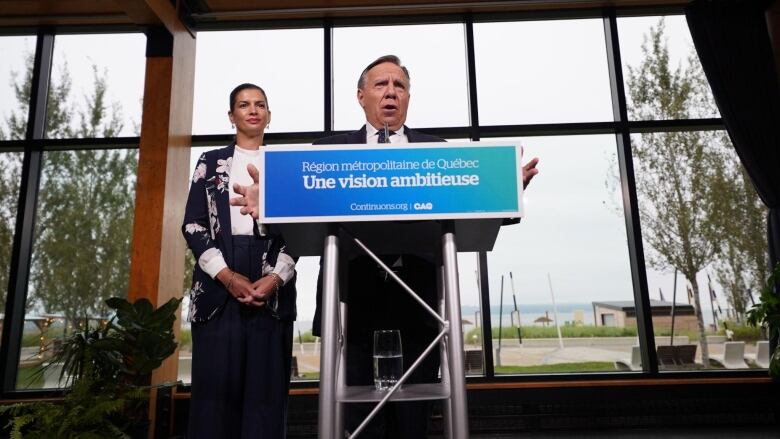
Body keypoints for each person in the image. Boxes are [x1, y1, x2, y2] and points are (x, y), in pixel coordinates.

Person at [231, 55, 538, 437]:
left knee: (414, 422)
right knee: (362, 423)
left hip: (421, 302)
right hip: (353, 302)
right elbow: (294, 205)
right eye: (381, 85)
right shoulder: (325, 153)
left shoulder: (439, 152)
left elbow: (477, 209)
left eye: (399, 85)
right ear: (361, 96)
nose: (391, 92)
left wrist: (506, 193)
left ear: (408, 97)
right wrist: (269, 204)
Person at [182, 83, 297, 438]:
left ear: (269, 116)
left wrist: (276, 278)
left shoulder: (285, 166)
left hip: (271, 289)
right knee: (214, 400)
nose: (253, 110)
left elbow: (301, 231)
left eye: (260, 104)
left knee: (266, 400)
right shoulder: (210, 160)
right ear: (231, 116)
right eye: (244, 105)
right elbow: (192, 224)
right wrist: (227, 276)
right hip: (218, 287)